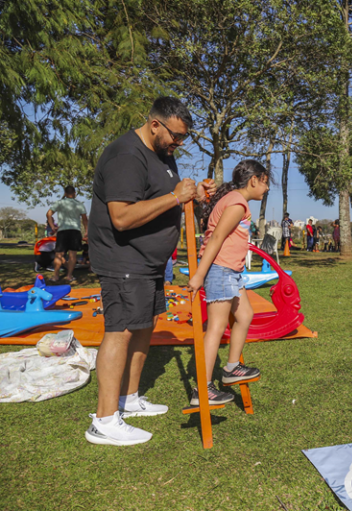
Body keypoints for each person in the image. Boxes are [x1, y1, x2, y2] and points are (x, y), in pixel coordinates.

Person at [86, 97, 214, 446]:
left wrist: (195, 194)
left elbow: (169, 194)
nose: (179, 143)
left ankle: (128, 399)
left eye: (184, 137)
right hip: (122, 258)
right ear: (154, 124)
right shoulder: (126, 155)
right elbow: (122, 217)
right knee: (121, 330)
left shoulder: (163, 154)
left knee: (144, 325)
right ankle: (104, 419)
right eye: (175, 135)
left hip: (149, 262)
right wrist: (175, 198)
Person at [187, 160, 269, 406]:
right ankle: (203, 388)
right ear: (254, 180)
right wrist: (200, 275)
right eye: (265, 183)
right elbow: (217, 238)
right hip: (220, 269)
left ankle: (231, 368)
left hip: (231, 271)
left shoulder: (234, 200)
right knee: (216, 326)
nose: (265, 190)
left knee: (245, 315)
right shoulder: (236, 203)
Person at [46, 185, 88, 283]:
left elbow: (48, 214)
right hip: (75, 231)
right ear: (74, 194)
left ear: (65, 194)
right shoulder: (79, 204)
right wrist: (86, 232)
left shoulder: (59, 203)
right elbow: (85, 220)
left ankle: (55, 276)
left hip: (62, 231)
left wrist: (52, 227)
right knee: (72, 255)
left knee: (58, 255)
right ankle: (69, 276)